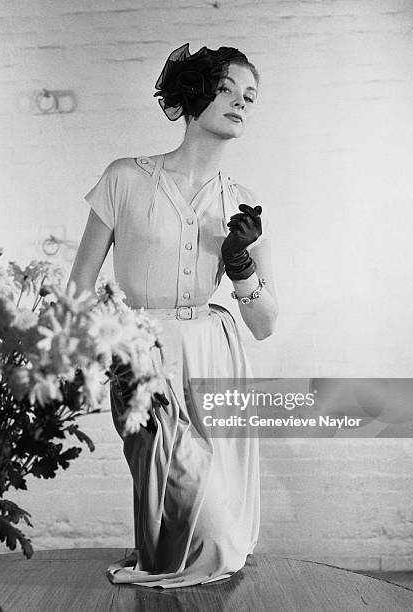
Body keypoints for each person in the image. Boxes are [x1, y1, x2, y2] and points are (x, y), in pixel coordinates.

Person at [69, 42, 278, 589]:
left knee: (215, 525)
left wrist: (239, 265)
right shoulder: (123, 178)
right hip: (143, 355)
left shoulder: (244, 204)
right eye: (227, 88)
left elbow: (265, 323)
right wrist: (114, 357)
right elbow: (80, 287)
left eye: (249, 96)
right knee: (207, 528)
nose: (240, 102)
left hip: (216, 354)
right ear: (194, 93)